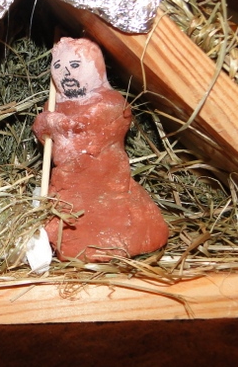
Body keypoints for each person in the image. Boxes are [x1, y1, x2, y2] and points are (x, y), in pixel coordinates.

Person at [33, 37, 168, 261]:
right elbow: (45, 136)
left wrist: (56, 122)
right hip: (67, 181)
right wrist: (43, 124)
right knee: (66, 221)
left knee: (110, 221)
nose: (66, 72)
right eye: (58, 66)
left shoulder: (110, 102)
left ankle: (113, 246)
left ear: (96, 67)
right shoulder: (54, 105)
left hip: (104, 180)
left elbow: (86, 127)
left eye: (75, 65)